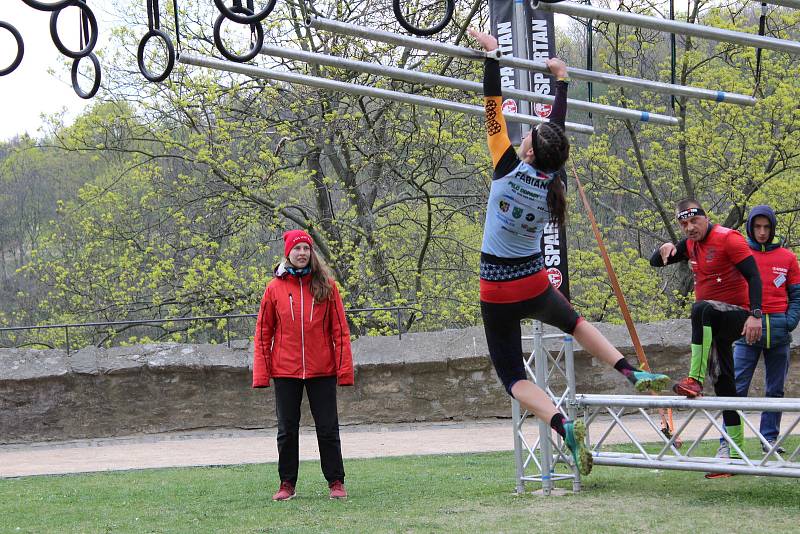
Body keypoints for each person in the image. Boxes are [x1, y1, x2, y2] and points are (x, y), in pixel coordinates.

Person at [469, 28, 670, 477]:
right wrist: (560, 81)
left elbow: (492, 107)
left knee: (513, 378)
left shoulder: (505, 168)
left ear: (528, 149)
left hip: (499, 287)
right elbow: (552, 136)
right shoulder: (554, 184)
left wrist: (493, 55)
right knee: (576, 323)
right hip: (533, 282)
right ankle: (630, 372)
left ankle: (561, 423)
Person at [650, 199, 762, 471]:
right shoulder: (690, 245)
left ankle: (694, 379)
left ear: (705, 217)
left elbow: (755, 276)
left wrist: (756, 315)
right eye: (683, 223)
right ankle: (733, 456)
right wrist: (662, 249)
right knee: (724, 384)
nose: (689, 228)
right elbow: (656, 262)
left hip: (737, 314)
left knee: (701, 307)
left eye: (693, 221)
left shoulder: (728, 239)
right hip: (712, 323)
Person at [253, 229, 354, 500]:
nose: (301, 253)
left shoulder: (327, 286)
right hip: (285, 371)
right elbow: (263, 333)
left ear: (311, 253)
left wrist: (344, 371)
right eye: (297, 249)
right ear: (288, 252)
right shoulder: (274, 288)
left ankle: (336, 481)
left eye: (306, 249)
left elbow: (340, 331)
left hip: (322, 369)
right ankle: (287, 484)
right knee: (286, 429)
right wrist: (261, 374)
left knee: (328, 428)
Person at [721, 205, 800, 456]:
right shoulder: (741, 253)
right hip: (746, 333)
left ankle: (770, 441)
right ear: (750, 228)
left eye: (767, 227)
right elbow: (723, 285)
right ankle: (729, 443)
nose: (762, 232)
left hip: (779, 334)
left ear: (773, 228)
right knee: (736, 389)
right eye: (757, 227)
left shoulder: (788, 258)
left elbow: (797, 295)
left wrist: (788, 322)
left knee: (774, 391)